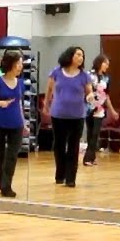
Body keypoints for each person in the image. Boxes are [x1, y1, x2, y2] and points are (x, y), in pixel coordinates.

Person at [43, 46, 94, 187]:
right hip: (58, 115)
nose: (80, 58)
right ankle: (60, 174)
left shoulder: (84, 76)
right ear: (70, 56)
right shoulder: (56, 72)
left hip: (77, 116)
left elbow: (89, 92)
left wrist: (90, 96)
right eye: (78, 55)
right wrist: (46, 105)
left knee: (73, 146)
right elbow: (49, 90)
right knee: (59, 145)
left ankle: (71, 178)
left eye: (82, 56)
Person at [0, 51, 25, 197]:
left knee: (12, 155)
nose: (20, 66)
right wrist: (1, 103)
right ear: (10, 64)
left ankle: (6, 185)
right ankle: (1, 182)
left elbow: (19, 103)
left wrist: (24, 122)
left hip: (16, 123)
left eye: (21, 64)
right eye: (18, 63)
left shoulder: (20, 83)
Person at [83, 54, 118, 165]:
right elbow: (85, 89)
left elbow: (106, 96)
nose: (107, 66)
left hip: (99, 109)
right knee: (90, 133)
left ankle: (88, 158)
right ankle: (91, 157)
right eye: (105, 63)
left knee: (95, 133)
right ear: (99, 63)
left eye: (108, 64)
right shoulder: (89, 75)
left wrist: (112, 110)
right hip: (88, 107)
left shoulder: (106, 78)